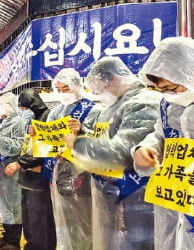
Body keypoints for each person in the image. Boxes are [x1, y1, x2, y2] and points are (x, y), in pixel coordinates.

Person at [65, 56, 161, 250]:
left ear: (114, 79)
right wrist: (83, 134)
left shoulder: (142, 103)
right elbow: (105, 138)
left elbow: (122, 151)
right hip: (110, 193)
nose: (99, 95)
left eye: (100, 89)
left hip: (135, 196)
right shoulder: (113, 106)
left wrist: (78, 144)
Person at [133, 37, 194, 250]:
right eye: (163, 90)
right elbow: (160, 134)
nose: (170, 95)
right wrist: (145, 148)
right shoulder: (168, 106)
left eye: (173, 87)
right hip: (173, 199)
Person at [46, 68, 100, 249]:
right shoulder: (55, 112)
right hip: (59, 172)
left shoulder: (94, 110)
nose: (61, 93)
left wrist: (82, 131)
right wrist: (37, 136)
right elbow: (46, 142)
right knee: (63, 220)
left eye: (66, 88)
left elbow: (102, 141)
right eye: (58, 89)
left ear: (77, 86)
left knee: (85, 221)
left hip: (84, 175)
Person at [4, 88, 56, 250]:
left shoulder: (48, 117)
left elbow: (43, 151)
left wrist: (19, 163)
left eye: (25, 107)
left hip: (39, 177)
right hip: (30, 177)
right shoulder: (35, 118)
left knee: (39, 220)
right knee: (30, 219)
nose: (23, 111)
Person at [0, 92, 25, 250]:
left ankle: (13, 241)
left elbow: (16, 147)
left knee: (13, 206)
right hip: (0, 168)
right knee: (4, 205)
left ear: (9, 106)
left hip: (11, 169)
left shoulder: (18, 122)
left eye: (1, 106)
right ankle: (6, 236)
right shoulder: (4, 121)